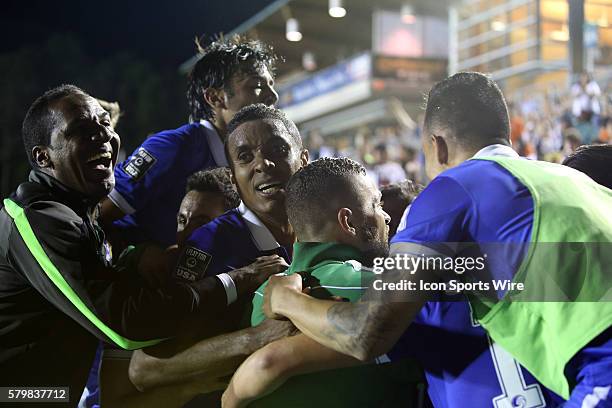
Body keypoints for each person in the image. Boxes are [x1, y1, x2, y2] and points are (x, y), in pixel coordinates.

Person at [262, 73, 612, 407]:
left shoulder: (451, 189)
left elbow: (364, 333)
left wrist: (286, 298)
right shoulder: (574, 180)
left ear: (438, 146)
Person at [0, 85, 288, 406]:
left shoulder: (81, 211)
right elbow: (129, 325)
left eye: (105, 124)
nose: (103, 136)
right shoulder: (36, 218)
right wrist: (237, 283)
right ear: (44, 157)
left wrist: (137, 253)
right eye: (82, 130)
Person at [126, 104, 309, 405]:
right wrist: (256, 339)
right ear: (234, 178)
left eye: (277, 149)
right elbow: (144, 368)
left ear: (303, 159)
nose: (263, 164)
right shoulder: (210, 243)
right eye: (245, 157)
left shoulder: (325, 222)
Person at [223, 157, 423, 408]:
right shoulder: (379, 288)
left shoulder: (260, 297)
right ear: (348, 222)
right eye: (376, 204)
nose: (385, 216)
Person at [100, 35, 279, 247]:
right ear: (215, 98)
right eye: (257, 85)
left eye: (271, 84)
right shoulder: (172, 148)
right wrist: (137, 254)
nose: (273, 95)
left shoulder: (263, 161)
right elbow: (98, 214)